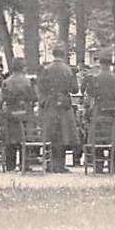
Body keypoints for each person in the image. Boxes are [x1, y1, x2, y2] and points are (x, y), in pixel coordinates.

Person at [84, 51, 115, 173]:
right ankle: (113, 165)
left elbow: (90, 93)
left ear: (100, 63)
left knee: (97, 137)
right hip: (113, 111)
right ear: (110, 64)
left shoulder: (95, 78)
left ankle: (98, 165)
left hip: (99, 111)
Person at [38, 45, 80, 173]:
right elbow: (75, 89)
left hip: (51, 104)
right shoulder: (68, 70)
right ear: (63, 55)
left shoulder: (46, 69)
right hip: (64, 106)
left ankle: (50, 164)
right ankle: (60, 165)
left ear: (53, 54)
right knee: (63, 135)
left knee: (51, 134)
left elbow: (41, 86)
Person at [1, 57, 37, 171]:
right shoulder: (28, 81)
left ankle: (10, 165)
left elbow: (3, 98)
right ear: (23, 67)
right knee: (24, 137)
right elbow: (34, 97)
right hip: (25, 111)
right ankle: (24, 164)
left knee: (10, 139)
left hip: (11, 112)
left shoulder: (6, 81)